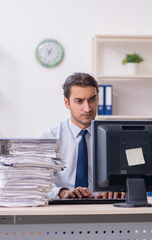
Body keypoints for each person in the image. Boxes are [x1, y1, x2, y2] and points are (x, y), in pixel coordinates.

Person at [38, 72, 124, 200]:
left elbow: (129, 176)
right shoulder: (48, 139)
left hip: (104, 208)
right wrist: (62, 192)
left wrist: (120, 188)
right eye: (79, 101)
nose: (87, 108)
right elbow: (38, 183)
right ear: (67, 103)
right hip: (62, 209)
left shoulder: (114, 137)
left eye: (92, 99)